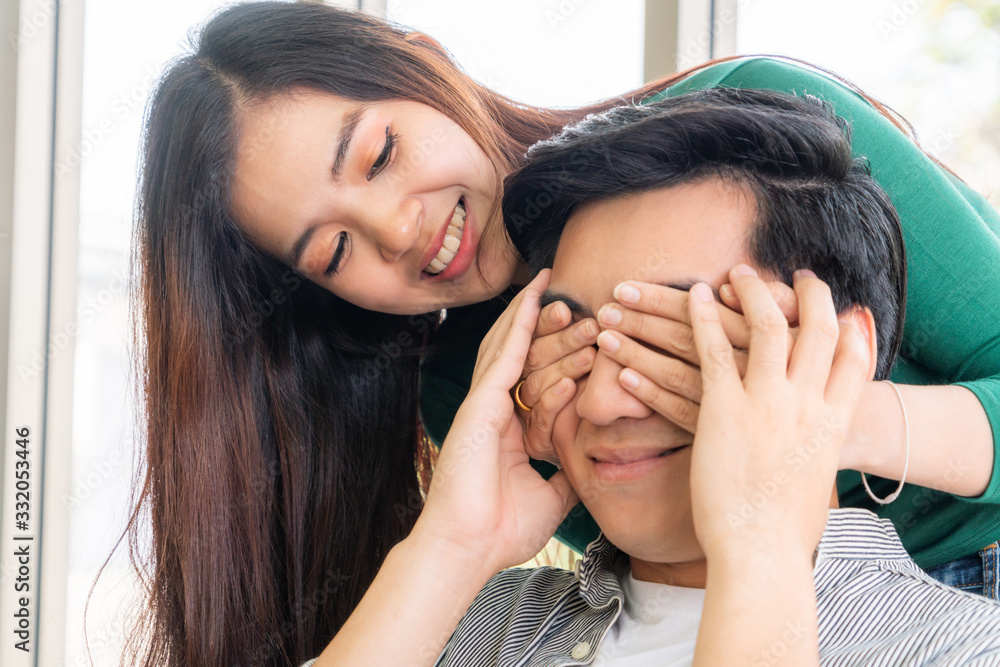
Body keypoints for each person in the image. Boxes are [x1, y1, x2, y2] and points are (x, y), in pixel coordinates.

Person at [128, 2, 1000, 665]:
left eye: (381, 153)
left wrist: (814, 416)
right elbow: (659, 561)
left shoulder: (748, 144)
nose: (398, 230)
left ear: (427, 66)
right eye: (336, 248)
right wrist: (453, 547)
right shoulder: (468, 397)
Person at [308, 87, 1000, 667]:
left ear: (835, 354)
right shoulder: (465, 622)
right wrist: (452, 545)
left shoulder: (955, 646)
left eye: (667, 342)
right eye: (575, 342)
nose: (605, 399)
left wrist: (762, 540)